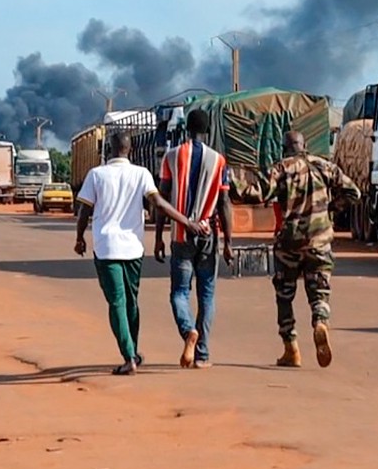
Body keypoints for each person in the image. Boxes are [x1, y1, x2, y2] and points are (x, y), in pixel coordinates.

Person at [74, 132, 208, 376]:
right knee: (131, 302)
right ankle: (133, 352)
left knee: (117, 302)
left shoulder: (97, 174)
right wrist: (186, 222)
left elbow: (85, 210)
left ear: (108, 150)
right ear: (131, 149)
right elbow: (159, 204)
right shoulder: (141, 174)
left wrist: (79, 237)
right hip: (133, 249)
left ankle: (128, 357)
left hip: (106, 249)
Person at [237, 131, 361, 368]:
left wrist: (232, 183)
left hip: (290, 243)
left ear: (285, 148)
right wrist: (329, 209)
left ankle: (291, 349)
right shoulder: (325, 166)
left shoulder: (282, 169)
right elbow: (353, 193)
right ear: (305, 145)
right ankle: (320, 322)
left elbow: (257, 193)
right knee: (320, 291)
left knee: (285, 295)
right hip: (320, 240)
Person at [154, 109, 234, 369]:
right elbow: (224, 202)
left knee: (179, 292)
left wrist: (157, 237)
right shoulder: (219, 160)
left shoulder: (172, 156)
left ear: (186, 129)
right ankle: (202, 355)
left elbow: (162, 200)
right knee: (207, 295)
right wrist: (229, 242)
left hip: (180, 234)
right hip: (208, 235)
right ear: (207, 130)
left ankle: (188, 330)